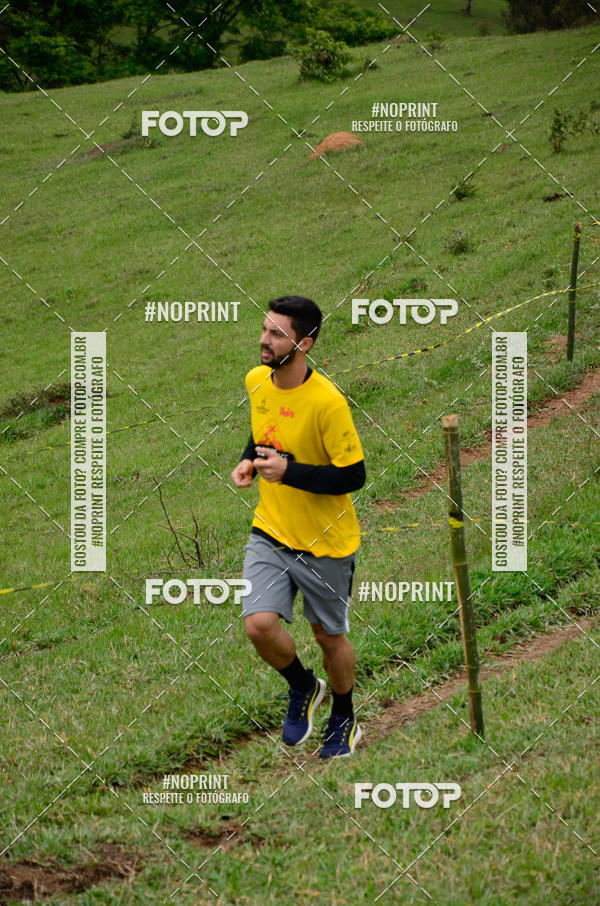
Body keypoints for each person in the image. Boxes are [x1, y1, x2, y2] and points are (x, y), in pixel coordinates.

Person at [231, 295, 366, 759]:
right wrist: (249, 461)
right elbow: (264, 430)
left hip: (326, 543)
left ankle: (344, 715)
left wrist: (288, 472)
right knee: (259, 625)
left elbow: (353, 476)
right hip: (270, 530)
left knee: (328, 637)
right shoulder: (256, 381)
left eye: (276, 333)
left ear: (303, 344)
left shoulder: (328, 403)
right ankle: (304, 686)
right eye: (264, 329)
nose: (264, 339)